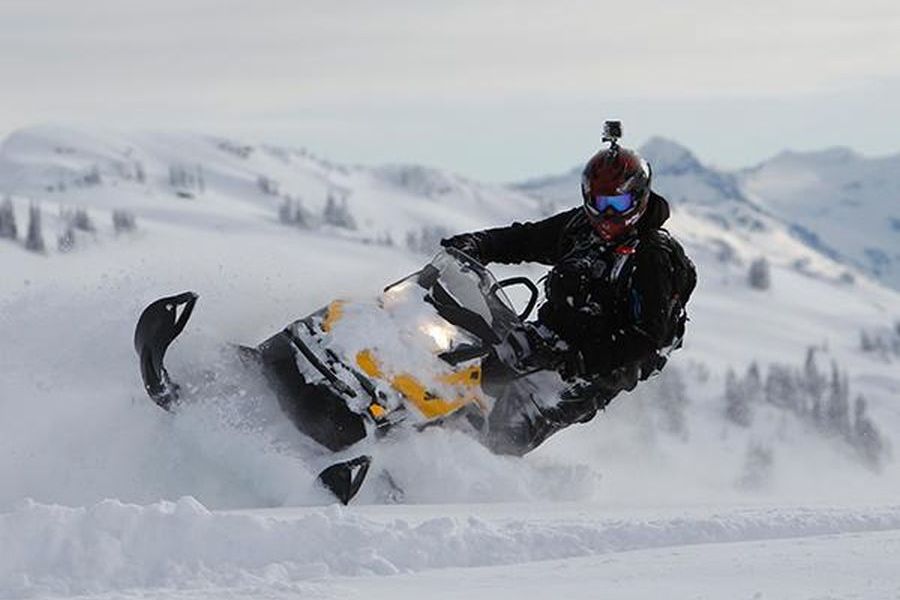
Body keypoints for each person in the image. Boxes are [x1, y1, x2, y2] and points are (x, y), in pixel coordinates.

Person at [441, 122, 696, 454]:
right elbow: (526, 239)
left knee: (510, 423)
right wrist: (477, 245)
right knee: (464, 370)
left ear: (639, 200)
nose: (606, 214)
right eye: (599, 202)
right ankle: (406, 430)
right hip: (546, 338)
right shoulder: (580, 228)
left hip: (593, 369)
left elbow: (645, 338)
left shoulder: (652, 257)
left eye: (617, 206)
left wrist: (581, 360)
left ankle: (470, 480)